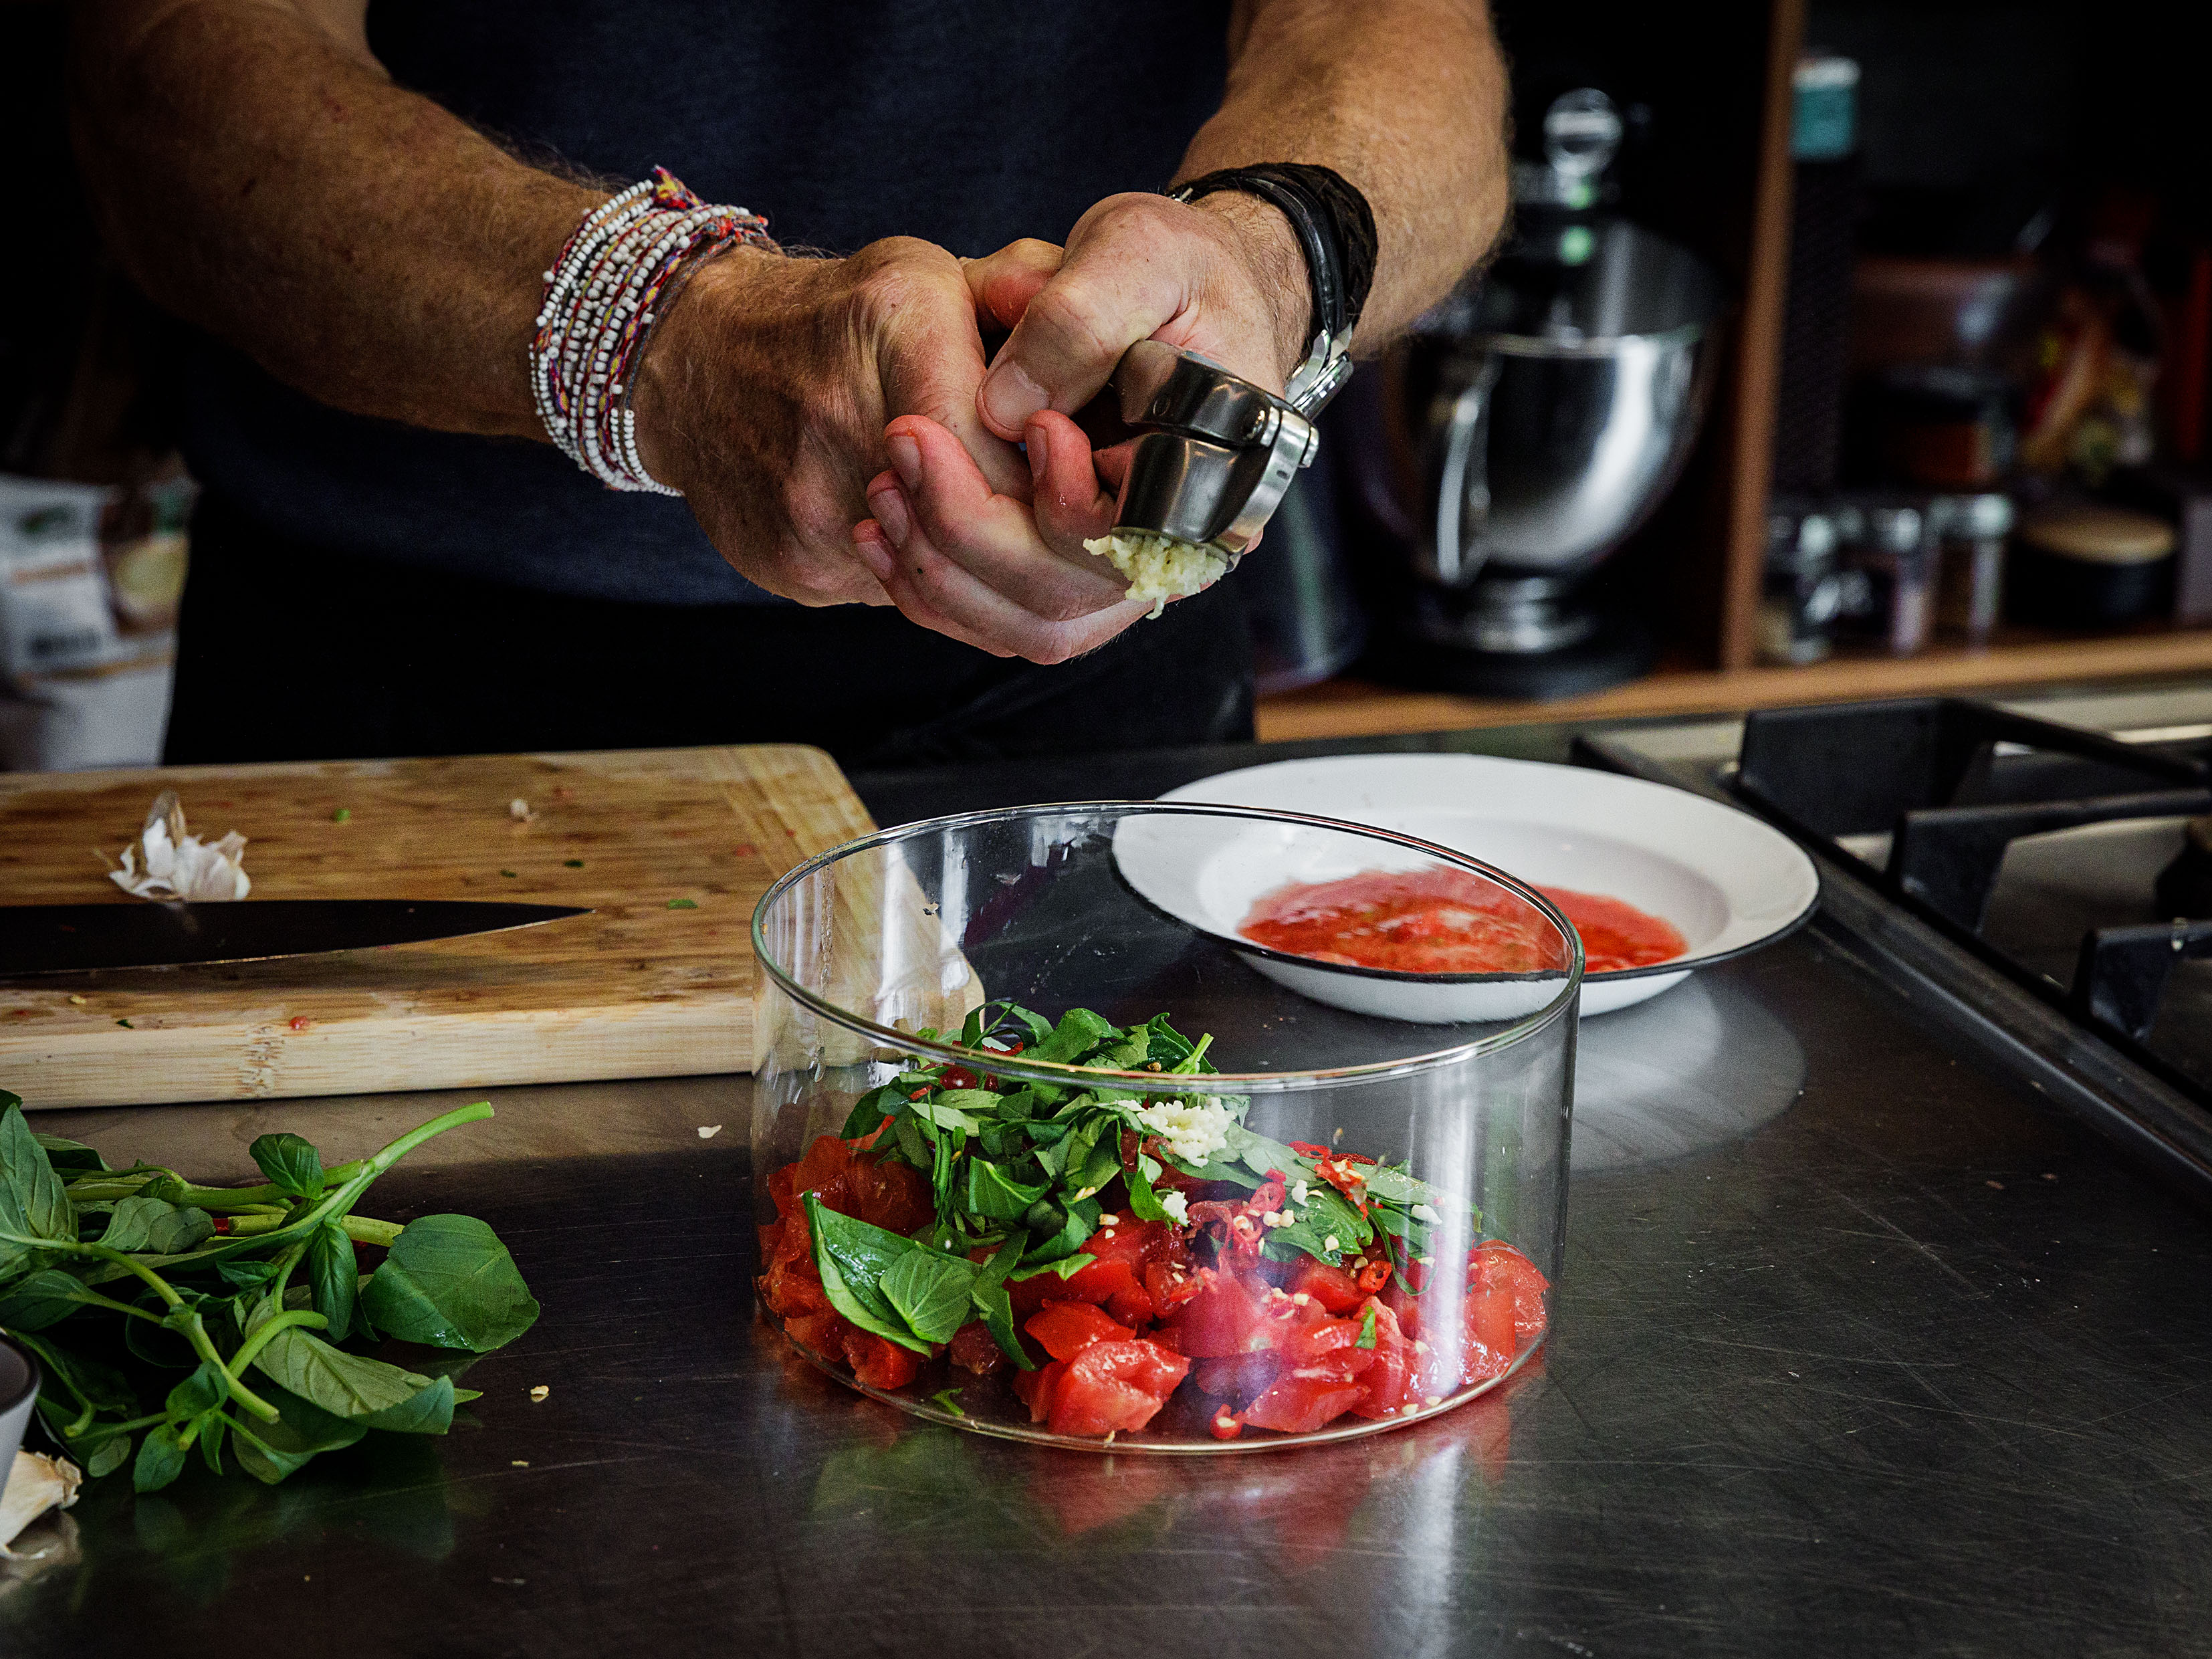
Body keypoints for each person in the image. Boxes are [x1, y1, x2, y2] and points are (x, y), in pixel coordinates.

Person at [69, 1, 1508, 766]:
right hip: (386, 683)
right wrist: (668, 340)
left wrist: (1271, 256)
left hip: (1073, 689)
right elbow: (158, 71)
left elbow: (1394, 24)